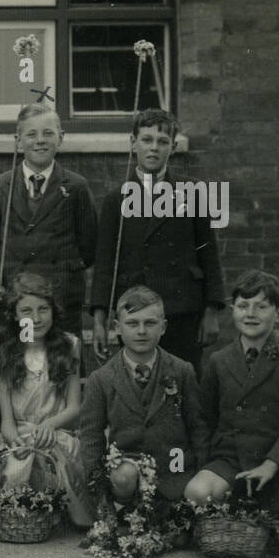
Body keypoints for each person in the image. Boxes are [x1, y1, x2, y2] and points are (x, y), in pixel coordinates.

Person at [185, 270, 279, 554]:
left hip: (278, 465)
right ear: (232, 311)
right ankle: (244, 499)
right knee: (196, 493)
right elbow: (204, 418)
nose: (250, 313)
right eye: (243, 306)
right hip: (231, 459)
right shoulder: (218, 361)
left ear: (278, 314)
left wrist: (271, 464)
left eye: (261, 306)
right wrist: (207, 463)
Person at [91, 108, 225, 371]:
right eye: (147, 140)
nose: (154, 148)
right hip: (135, 314)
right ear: (133, 143)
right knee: (139, 381)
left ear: (173, 147)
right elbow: (105, 263)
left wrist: (211, 312)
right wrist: (99, 320)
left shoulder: (193, 194)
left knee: (183, 383)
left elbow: (209, 255)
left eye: (162, 142)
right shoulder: (116, 200)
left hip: (183, 310)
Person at [0, 273, 93, 527]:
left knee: (50, 457)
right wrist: (13, 434)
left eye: (43, 309)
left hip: (55, 433)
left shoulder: (69, 346)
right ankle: (22, 511)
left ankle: (48, 506)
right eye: (26, 311)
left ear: (53, 311)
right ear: (14, 315)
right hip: (21, 434)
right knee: (18, 460)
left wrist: (49, 425)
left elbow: (74, 408)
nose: (36, 319)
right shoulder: (3, 352)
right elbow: (6, 421)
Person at [0, 103, 97, 338]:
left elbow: (89, 247)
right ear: (18, 140)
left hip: (60, 303)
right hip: (15, 300)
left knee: (62, 365)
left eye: (48, 133)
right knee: (20, 365)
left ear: (61, 138)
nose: (40, 140)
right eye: (31, 134)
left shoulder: (76, 187)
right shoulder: (0, 186)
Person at [79, 285, 208, 506]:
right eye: (132, 323)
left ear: (163, 327)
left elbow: (197, 426)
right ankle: (123, 510)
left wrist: (202, 471)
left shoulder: (181, 370)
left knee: (177, 538)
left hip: (174, 470)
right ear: (118, 328)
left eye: (150, 323)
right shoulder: (101, 379)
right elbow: (91, 436)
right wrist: (98, 487)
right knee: (124, 477)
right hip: (126, 472)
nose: (141, 331)